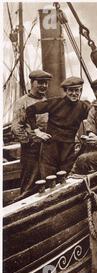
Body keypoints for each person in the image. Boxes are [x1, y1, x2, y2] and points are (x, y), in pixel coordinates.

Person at [25, 76, 91, 178]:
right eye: (71, 90)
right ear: (65, 91)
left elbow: (94, 117)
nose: (74, 93)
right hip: (50, 148)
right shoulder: (55, 103)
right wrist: (37, 132)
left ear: (80, 90)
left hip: (68, 149)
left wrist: (89, 135)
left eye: (77, 90)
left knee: (65, 178)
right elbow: (30, 110)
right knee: (48, 179)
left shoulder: (84, 107)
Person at [11, 70, 52, 199]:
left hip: (45, 148)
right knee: (29, 180)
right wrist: (29, 141)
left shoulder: (45, 100)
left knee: (44, 179)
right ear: (32, 83)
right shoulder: (22, 102)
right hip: (31, 148)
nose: (43, 86)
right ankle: (22, 206)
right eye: (40, 83)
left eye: (45, 83)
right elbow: (16, 127)